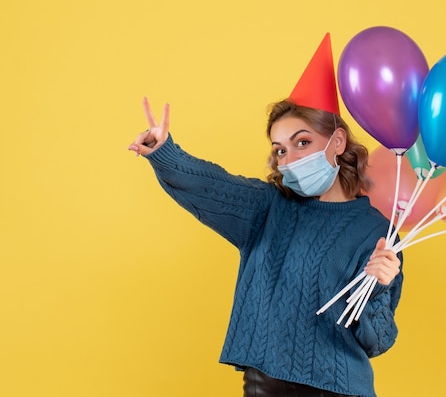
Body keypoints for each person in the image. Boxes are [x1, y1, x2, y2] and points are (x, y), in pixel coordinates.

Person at [128, 34, 403, 397]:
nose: (290, 159)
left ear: (337, 142)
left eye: (302, 142)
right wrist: (165, 151)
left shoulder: (376, 232)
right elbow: (212, 186)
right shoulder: (267, 208)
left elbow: (376, 340)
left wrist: (381, 286)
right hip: (265, 386)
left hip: (341, 389)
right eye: (280, 150)